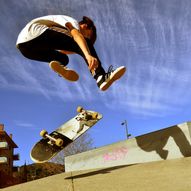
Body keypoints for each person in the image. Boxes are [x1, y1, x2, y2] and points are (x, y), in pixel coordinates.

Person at [16, 15, 126, 91]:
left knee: (63, 58)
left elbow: (65, 49)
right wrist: (88, 55)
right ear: (85, 26)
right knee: (83, 42)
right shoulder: (72, 22)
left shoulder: (59, 30)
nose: (86, 37)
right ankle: (101, 76)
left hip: (25, 48)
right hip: (37, 32)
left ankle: (61, 67)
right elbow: (76, 36)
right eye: (88, 35)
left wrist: (84, 53)